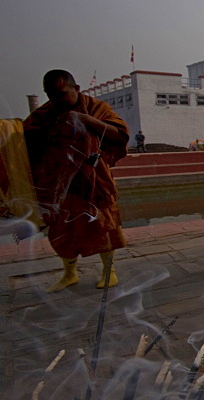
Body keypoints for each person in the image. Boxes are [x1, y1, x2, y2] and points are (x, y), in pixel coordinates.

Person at [23, 70, 129, 292]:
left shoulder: (95, 108)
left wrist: (86, 120)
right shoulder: (45, 113)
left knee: (102, 226)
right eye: (50, 94)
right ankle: (69, 273)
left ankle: (109, 271)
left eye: (61, 93)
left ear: (76, 89)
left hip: (92, 180)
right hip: (59, 184)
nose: (56, 99)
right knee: (62, 229)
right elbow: (24, 140)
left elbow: (118, 134)